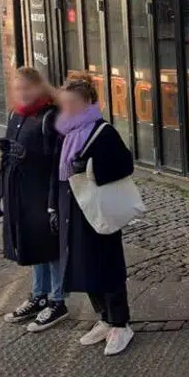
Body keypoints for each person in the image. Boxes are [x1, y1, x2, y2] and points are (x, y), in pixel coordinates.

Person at [55, 74, 137, 356]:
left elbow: (126, 164)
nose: (68, 109)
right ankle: (103, 317)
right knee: (85, 266)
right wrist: (54, 206)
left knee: (108, 264)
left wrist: (91, 168)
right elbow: (60, 175)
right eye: (65, 104)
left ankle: (120, 323)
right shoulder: (66, 133)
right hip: (74, 209)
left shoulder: (102, 131)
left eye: (73, 103)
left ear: (88, 102)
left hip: (99, 209)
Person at [0, 67, 68, 332]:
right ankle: (40, 295)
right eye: (18, 89)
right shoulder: (16, 116)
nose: (22, 93)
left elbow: (59, 161)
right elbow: (6, 155)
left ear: (39, 88)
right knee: (32, 245)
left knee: (50, 247)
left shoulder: (51, 117)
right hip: (19, 192)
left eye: (27, 88)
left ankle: (58, 300)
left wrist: (53, 202)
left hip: (43, 192)